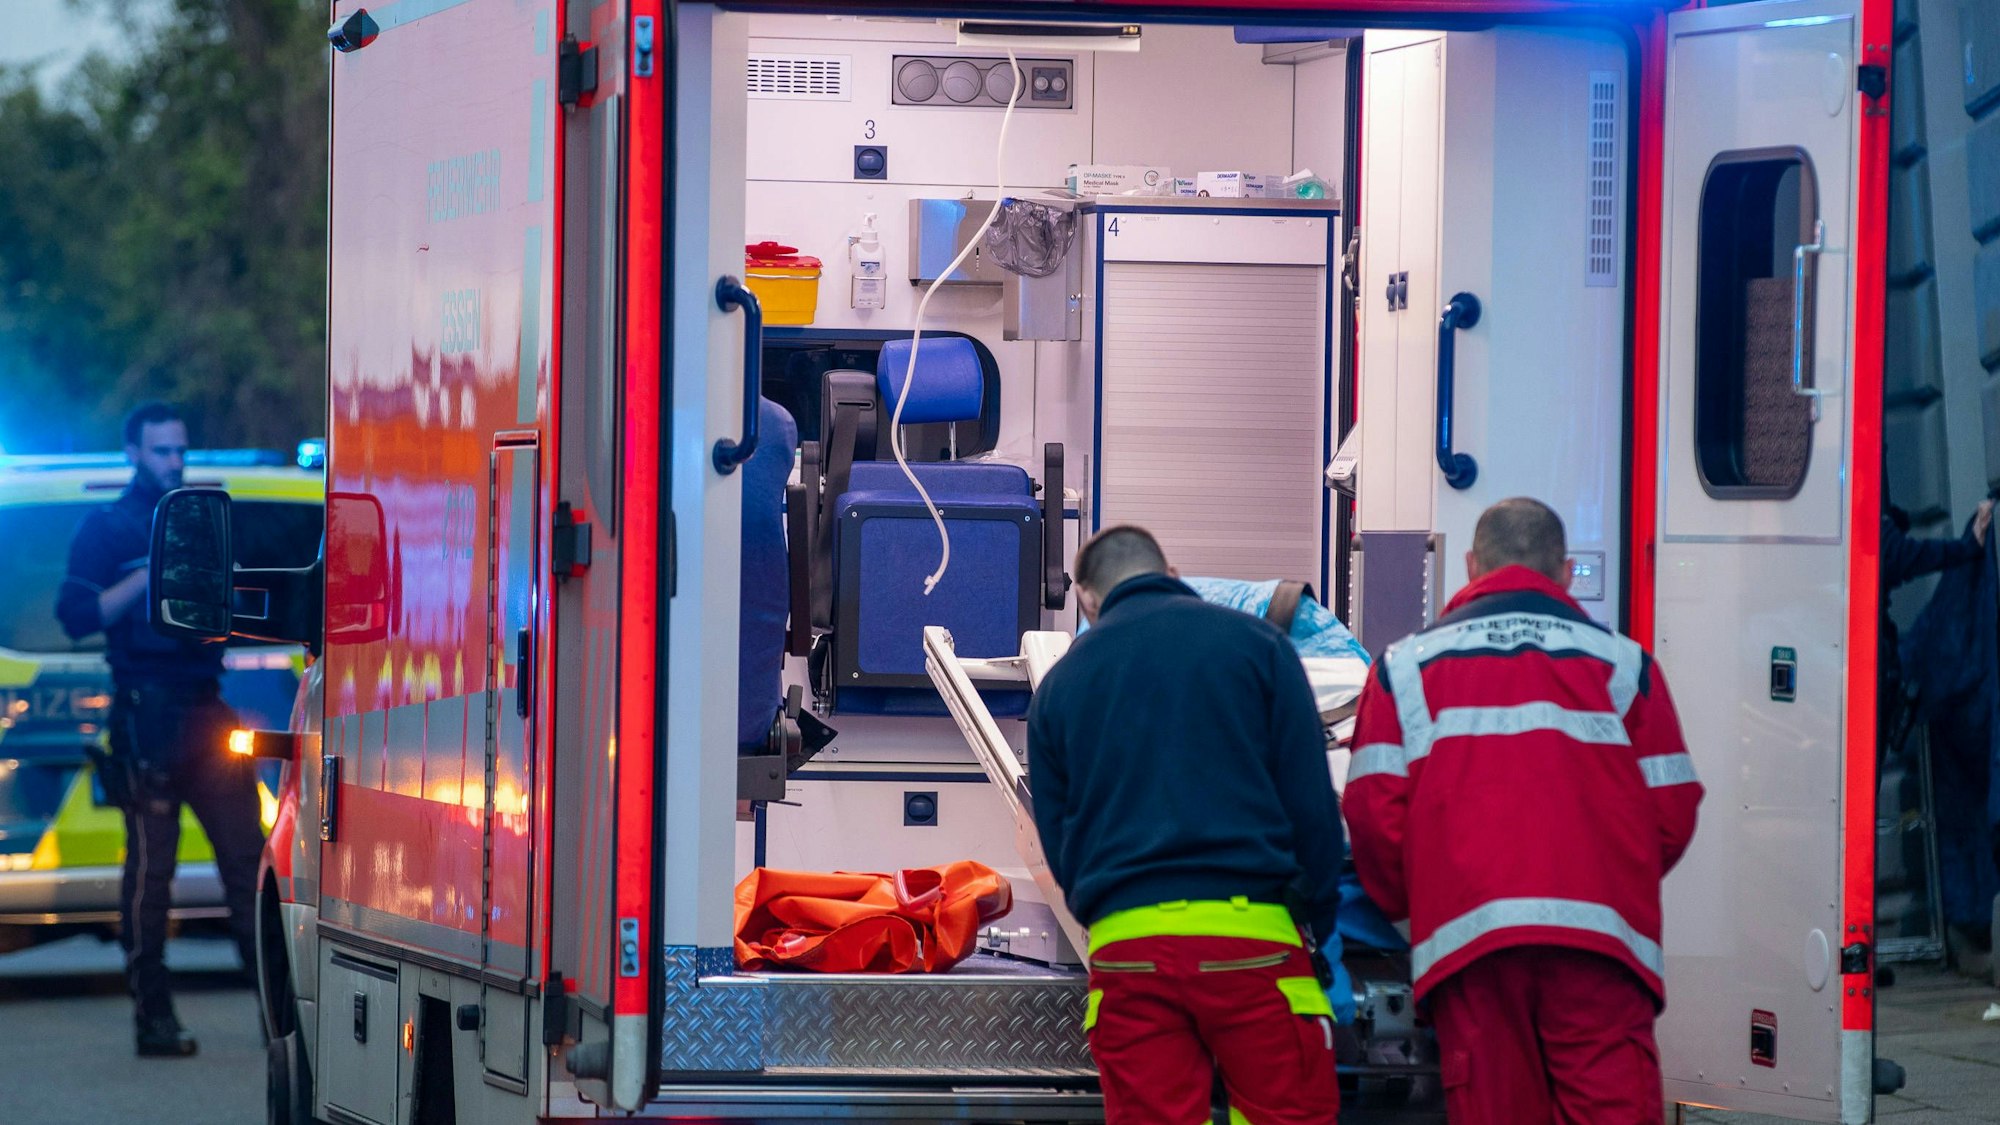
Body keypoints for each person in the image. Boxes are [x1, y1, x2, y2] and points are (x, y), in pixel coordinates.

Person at [1345, 498, 1703, 1124]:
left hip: (1470, 951)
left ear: (1468, 566)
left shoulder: (1402, 669)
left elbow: (1375, 817)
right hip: (1600, 949)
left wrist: (1424, 899)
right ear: (1564, 574)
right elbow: (1670, 813)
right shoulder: (1626, 666)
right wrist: (1610, 876)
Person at [1028, 525, 1345, 1124]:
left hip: (1129, 952)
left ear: (1089, 600)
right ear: (1172, 572)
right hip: (1253, 941)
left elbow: (1062, 848)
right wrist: (1316, 925)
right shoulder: (1259, 647)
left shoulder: (1060, 687)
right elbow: (1314, 814)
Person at [55, 403, 262, 1058]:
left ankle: (282, 1016)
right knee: (151, 874)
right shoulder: (109, 526)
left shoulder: (199, 522)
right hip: (147, 713)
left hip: (207, 707)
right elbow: (75, 614)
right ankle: (154, 1018)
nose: (174, 461)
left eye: (180, 450)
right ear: (132, 452)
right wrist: (145, 578)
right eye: (161, 450)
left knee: (249, 868)